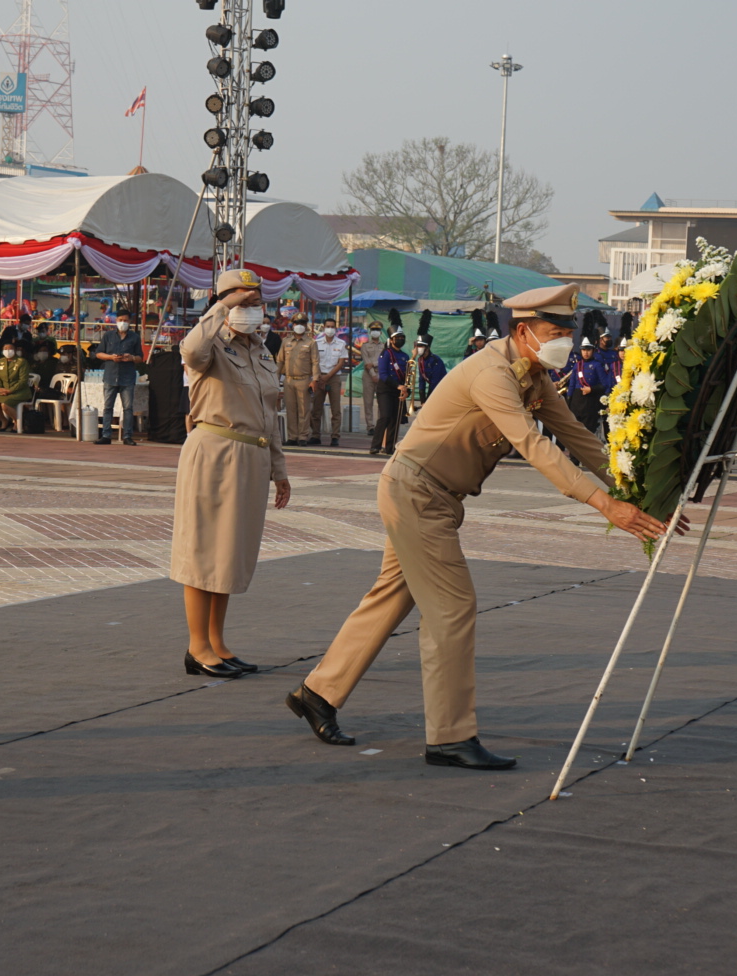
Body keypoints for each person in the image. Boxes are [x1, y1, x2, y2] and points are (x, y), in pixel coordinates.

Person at [285, 284, 685, 768]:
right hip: (417, 491)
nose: (562, 340)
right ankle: (450, 738)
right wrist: (605, 506)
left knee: (392, 594)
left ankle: (318, 693)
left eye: (566, 332)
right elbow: (535, 447)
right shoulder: (492, 373)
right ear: (523, 331)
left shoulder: (533, 375)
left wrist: (641, 497)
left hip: (433, 496)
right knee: (452, 607)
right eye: (553, 332)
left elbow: (580, 440)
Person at [170, 267, 289, 679]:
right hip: (215, 452)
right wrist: (222, 308)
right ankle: (197, 646)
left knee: (230, 553)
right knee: (203, 550)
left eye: (257, 303)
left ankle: (218, 642)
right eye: (245, 302)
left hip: (252, 457)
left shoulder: (261, 350)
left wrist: (280, 469)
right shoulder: (211, 345)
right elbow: (189, 351)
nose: (252, 310)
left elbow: (269, 414)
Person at [95, 313, 142, 445]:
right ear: (116, 321)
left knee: (128, 407)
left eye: (125, 320)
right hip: (110, 375)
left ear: (130, 322)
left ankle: (127, 436)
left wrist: (131, 358)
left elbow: (140, 357)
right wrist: (111, 357)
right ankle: (106, 435)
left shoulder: (134, 337)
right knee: (108, 407)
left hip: (127, 376)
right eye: (120, 320)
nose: (123, 322)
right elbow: (98, 353)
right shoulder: (108, 336)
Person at [309, 316, 349, 446]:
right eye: (328, 327)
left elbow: (341, 363)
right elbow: (314, 361)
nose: (330, 329)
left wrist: (328, 376)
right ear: (324, 327)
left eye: (332, 327)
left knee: (335, 409)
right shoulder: (316, 342)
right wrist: (319, 377)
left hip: (334, 377)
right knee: (316, 408)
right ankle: (315, 435)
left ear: (336, 329)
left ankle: (335, 436)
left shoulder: (341, 343)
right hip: (319, 376)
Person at [370, 326, 410, 456]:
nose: (400, 340)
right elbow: (383, 374)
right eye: (397, 338)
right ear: (391, 340)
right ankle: (375, 446)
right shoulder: (386, 353)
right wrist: (397, 386)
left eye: (402, 338)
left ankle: (390, 447)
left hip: (398, 391)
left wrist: (406, 390)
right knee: (385, 416)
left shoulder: (405, 356)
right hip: (386, 389)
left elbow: (407, 376)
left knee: (395, 419)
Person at [278, 314, 317, 446]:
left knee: (303, 410)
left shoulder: (311, 343)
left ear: (306, 325)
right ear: (292, 325)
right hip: (289, 380)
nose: (299, 326)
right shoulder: (286, 342)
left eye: (302, 323)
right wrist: (274, 378)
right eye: (296, 323)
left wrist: (314, 380)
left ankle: (303, 436)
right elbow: (280, 362)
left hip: (304, 380)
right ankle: (292, 436)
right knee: (290, 409)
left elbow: (315, 362)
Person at [567, 337, 612, 434]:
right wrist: (568, 400)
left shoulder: (597, 365)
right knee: (575, 430)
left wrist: (592, 389)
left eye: (588, 350)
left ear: (593, 351)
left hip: (590, 401)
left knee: (588, 431)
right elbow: (572, 384)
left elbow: (604, 384)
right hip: (577, 400)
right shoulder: (577, 365)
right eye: (583, 350)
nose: (586, 353)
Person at [0, 342, 32, 431]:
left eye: (10, 349)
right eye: (5, 349)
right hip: (3, 391)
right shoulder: (1, 361)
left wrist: (10, 390)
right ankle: (4, 421)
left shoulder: (21, 362)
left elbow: (23, 381)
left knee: (5, 405)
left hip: (19, 392)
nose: (7, 351)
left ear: (15, 350)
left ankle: (18, 422)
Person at [361, 319, 385, 434]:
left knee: (381, 401)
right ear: (370, 332)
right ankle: (370, 426)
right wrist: (373, 374)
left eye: (377, 330)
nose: (375, 331)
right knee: (368, 401)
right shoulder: (365, 346)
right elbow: (366, 362)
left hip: (381, 374)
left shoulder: (385, 346)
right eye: (373, 330)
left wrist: (374, 364)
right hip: (368, 375)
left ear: (381, 332)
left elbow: (383, 360)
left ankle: (380, 425)